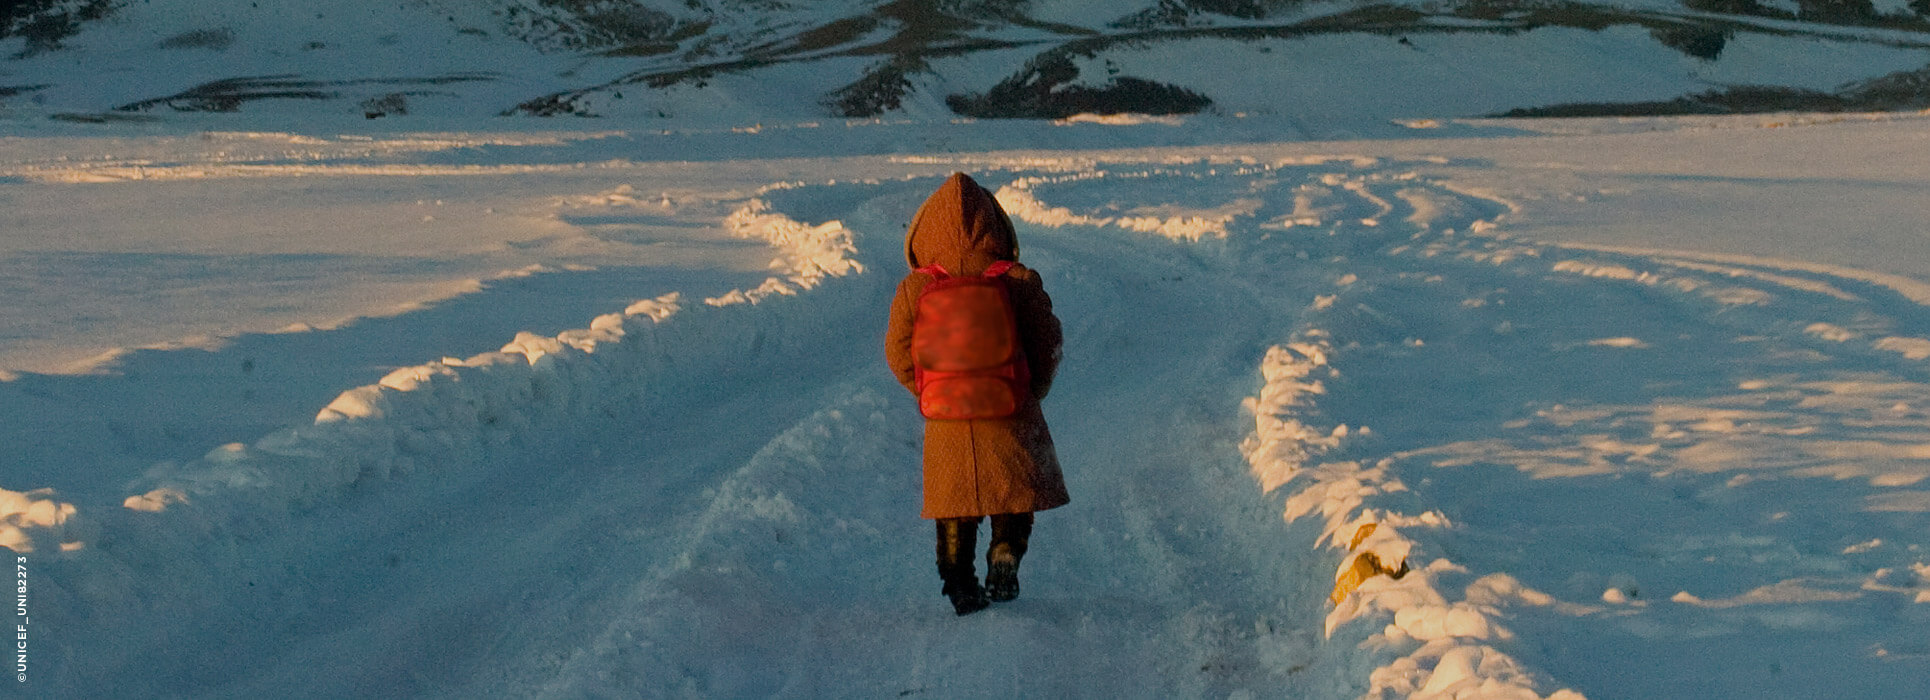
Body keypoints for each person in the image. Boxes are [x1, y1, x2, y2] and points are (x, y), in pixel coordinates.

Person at [885, 172, 1070, 616]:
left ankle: (960, 584)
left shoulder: (916, 288)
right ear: (999, 227)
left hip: (946, 415)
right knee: (1014, 492)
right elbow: (1047, 340)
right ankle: (1006, 552)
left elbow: (897, 352)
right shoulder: (1018, 278)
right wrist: (1032, 388)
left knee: (954, 503)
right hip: (1010, 404)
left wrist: (930, 390)